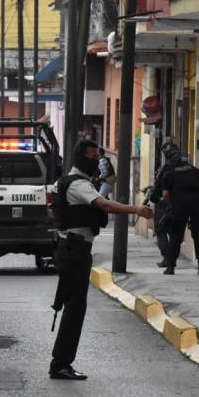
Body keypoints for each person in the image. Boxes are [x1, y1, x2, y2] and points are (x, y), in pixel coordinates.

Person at [49, 139, 153, 380]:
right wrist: (135, 210)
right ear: (82, 158)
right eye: (93, 156)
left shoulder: (67, 181)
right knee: (75, 309)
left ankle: (61, 362)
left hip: (70, 248)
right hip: (75, 251)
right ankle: (60, 363)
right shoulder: (79, 185)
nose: (97, 160)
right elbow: (103, 205)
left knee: (74, 307)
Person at [161, 150, 199, 275]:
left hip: (179, 206)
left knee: (175, 236)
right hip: (197, 204)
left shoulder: (170, 174)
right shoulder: (195, 170)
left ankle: (171, 267)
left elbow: (165, 194)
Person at [146, 142, 181, 268]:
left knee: (161, 230)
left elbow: (160, 188)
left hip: (165, 205)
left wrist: (154, 196)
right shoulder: (183, 168)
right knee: (174, 233)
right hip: (179, 204)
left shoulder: (166, 169)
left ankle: (167, 258)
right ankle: (171, 259)